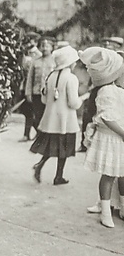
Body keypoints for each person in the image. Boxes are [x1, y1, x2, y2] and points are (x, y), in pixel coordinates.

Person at [79, 47, 124, 228]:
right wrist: (122, 133)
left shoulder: (118, 90)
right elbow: (106, 117)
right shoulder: (106, 91)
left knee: (121, 173)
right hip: (111, 137)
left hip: (119, 137)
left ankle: (121, 205)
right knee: (109, 174)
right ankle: (105, 211)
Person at [30, 46, 83, 185]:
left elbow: (43, 100)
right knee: (64, 148)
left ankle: (40, 165)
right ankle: (58, 176)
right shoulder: (71, 78)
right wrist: (82, 99)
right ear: (69, 63)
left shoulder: (50, 76)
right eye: (74, 61)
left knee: (51, 146)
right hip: (66, 120)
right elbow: (73, 103)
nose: (75, 64)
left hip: (50, 120)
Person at [25, 36, 56, 137]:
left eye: (47, 46)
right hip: (37, 93)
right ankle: (40, 136)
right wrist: (28, 93)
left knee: (49, 116)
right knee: (37, 116)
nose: (45, 48)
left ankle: (46, 137)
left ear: (52, 47)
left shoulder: (55, 61)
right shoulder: (35, 61)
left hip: (50, 94)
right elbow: (30, 78)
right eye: (42, 46)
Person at [19, 32, 41, 141]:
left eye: (30, 40)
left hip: (32, 87)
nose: (28, 43)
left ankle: (36, 133)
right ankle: (30, 134)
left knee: (30, 111)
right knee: (25, 110)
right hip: (24, 85)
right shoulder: (25, 52)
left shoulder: (38, 55)